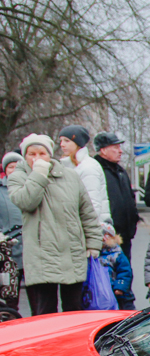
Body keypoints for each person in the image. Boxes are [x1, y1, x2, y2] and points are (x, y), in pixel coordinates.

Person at [7, 133, 103, 315]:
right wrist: (38, 175)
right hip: (41, 255)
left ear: (50, 154)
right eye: (31, 154)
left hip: (72, 253)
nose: (37, 159)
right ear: (24, 156)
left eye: (42, 154)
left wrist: (93, 243)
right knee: (45, 312)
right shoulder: (18, 177)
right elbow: (27, 201)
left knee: (74, 310)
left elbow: (86, 212)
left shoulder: (70, 176)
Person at [94, 132, 138, 259]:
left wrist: (133, 220)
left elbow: (129, 198)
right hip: (107, 235)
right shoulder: (96, 170)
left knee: (125, 272)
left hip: (125, 235)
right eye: (116, 147)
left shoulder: (120, 171)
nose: (120, 151)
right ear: (103, 150)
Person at [57, 125, 109, 225]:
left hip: (85, 228)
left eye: (67, 141)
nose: (62, 145)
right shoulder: (69, 165)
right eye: (61, 141)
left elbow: (92, 204)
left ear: (78, 143)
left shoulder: (88, 167)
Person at [0, 152, 24, 309]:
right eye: (11, 167)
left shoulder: (31, 188)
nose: (14, 170)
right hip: (9, 250)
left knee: (38, 297)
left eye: (18, 166)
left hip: (31, 247)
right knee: (11, 295)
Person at [98, 222, 134, 310]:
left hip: (117, 292)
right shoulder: (96, 255)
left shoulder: (117, 255)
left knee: (123, 311)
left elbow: (125, 272)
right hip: (102, 293)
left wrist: (120, 287)